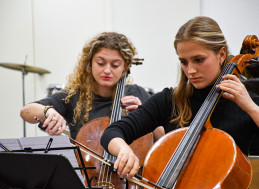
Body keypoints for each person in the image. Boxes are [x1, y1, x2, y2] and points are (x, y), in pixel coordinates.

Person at [100, 16, 259, 179]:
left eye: (198, 60)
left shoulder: (246, 101)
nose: (190, 70)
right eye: (184, 62)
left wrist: (251, 107)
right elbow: (112, 132)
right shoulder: (170, 100)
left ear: (221, 54)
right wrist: (124, 150)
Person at [20, 32, 164, 140]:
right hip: (87, 177)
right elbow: (26, 111)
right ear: (90, 63)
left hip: (128, 178)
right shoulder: (74, 96)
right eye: (100, 63)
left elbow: (162, 138)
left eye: (115, 65)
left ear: (125, 66)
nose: (107, 70)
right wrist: (47, 112)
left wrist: (144, 116)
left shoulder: (137, 93)